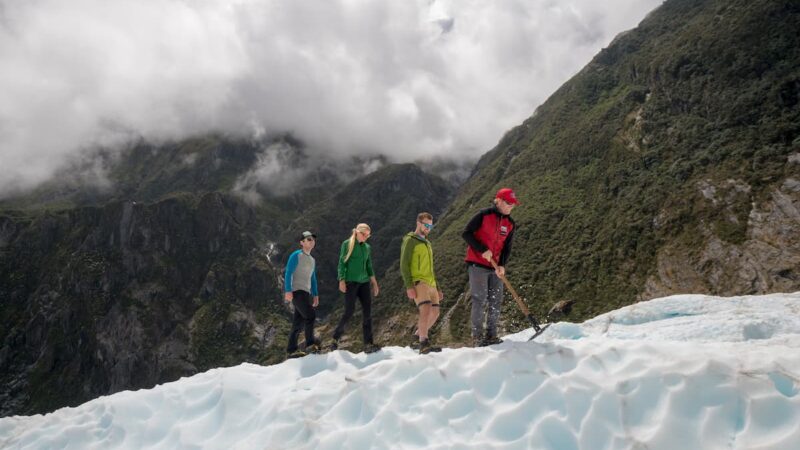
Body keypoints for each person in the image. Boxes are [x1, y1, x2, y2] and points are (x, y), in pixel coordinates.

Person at [462, 188, 519, 347]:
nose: (511, 207)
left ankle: (491, 335)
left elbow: (507, 247)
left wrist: (502, 265)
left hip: (495, 268)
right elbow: (466, 233)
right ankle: (478, 337)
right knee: (480, 299)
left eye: (513, 204)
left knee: (496, 300)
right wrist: (481, 250)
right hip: (477, 264)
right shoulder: (483, 215)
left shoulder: (510, 224)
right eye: (508, 203)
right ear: (499, 200)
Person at [331, 223, 380, 353]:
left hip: (364, 283)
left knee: (367, 312)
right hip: (350, 283)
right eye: (363, 234)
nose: (365, 237)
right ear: (357, 232)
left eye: (368, 235)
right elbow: (342, 263)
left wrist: (374, 282)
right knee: (349, 311)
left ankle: (368, 344)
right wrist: (341, 280)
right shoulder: (347, 244)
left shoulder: (367, 247)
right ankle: (335, 337)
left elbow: (369, 265)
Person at [400, 212, 443, 354]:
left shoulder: (427, 243)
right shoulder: (410, 240)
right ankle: (424, 342)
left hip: (431, 282)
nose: (428, 228)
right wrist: (408, 286)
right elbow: (404, 264)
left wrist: (438, 287)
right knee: (425, 309)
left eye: (430, 225)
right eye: (426, 225)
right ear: (418, 223)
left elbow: (431, 267)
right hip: (418, 281)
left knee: (435, 312)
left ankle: (417, 336)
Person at [284, 230, 320, 358]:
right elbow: (288, 272)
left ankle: (291, 351)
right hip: (296, 292)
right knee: (310, 316)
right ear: (302, 242)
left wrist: (315, 295)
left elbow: (313, 278)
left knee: (297, 323)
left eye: (312, 239)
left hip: (306, 293)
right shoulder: (296, 255)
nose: (311, 241)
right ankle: (310, 345)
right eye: (308, 239)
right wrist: (288, 290)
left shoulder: (312, 260)